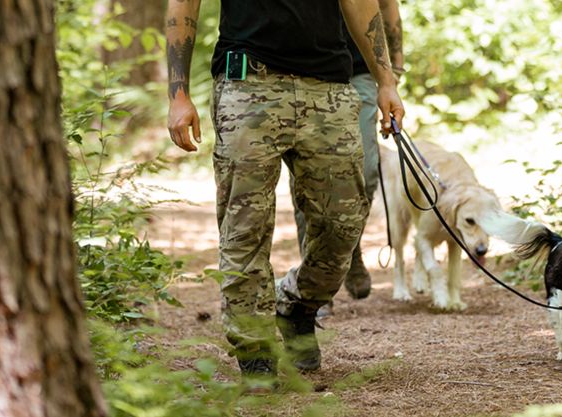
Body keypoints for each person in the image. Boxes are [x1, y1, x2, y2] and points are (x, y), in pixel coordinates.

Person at [164, 0, 406, 376]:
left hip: (329, 87)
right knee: (245, 228)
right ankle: (255, 350)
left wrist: (386, 80)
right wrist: (178, 92)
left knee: (343, 223)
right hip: (247, 84)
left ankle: (297, 305)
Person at [290, 0, 405, 317]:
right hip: (301, 73)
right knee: (307, 181)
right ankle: (313, 286)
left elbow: (387, 6)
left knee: (366, 172)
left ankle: (347, 248)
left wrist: (393, 67)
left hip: (359, 71)